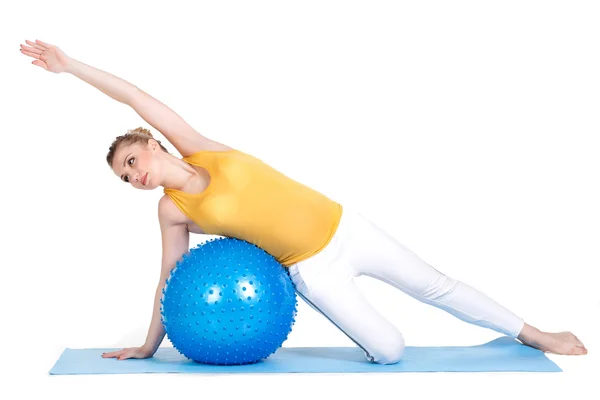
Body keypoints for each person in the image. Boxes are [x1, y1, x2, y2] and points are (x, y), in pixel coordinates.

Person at [20, 39, 587, 364]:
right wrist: (147, 344)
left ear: (150, 144)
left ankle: (532, 333)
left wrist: (70, 68)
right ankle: (318, 302)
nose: (134, 177)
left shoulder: (202, 148)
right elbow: (169, 277)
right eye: (125, 178)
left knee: (435, 283)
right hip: (310, 270)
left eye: (132, 163)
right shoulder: (173, 211)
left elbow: (137, 96)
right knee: (390, 353)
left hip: (346, 227)